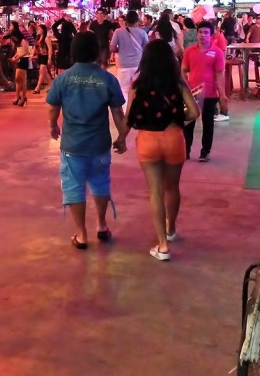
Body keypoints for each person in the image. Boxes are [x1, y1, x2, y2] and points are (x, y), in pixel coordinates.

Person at [116, 40, 200, 261]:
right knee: (172, 187)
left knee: (155, 192)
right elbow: (194, 112)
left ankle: (162, 246)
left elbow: (128, 116)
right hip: (174, 139)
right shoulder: (178, 83)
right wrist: (178, 119)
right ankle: (171, 228)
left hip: (147, 141)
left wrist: (121, 139)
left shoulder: (138, 84)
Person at [47, 32, 127, 249]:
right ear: (96, 51)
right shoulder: (107, 78)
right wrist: (122, 136)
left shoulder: (62, 79)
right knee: (100, 183)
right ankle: (101, 225)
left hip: (72, 145)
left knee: (74, 187)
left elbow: (54, 107)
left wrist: (53, 125)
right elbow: (118, 112)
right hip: (99, 143)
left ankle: (81, 234)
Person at [182, 24, 227, 162]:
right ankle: (185, 151)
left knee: (208, 123)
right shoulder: (189, 51)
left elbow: (220, 75)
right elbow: (183, 70)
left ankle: (205, 152)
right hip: (192, 94)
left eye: (206, 32)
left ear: (211, 35)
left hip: (210, 94)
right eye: (200, 32)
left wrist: (222, 95)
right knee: (188, 123)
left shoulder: (217, 52)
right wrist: (185, 88)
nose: (202, 35)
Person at [110, 10, 149, 102]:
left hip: (123, 65)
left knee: (123, 90)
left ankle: (125, 110)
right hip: (138, 65)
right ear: (137, 21)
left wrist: (120, 50)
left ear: (126, 21)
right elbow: (147, 48)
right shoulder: (142, 33)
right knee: (138, 89)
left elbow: (112, 48)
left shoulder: (118, 32)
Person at [9, 24, 30, 106]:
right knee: (18, 79)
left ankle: (23, 97)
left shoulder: (23, 41)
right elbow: (18, 51)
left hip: (23, 60)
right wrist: (14, 57)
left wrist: (17, 57)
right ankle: (18, 96)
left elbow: (26, 51)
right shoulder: (17, 42)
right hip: (19, 60)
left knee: (22, 79)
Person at [32, 23, 53, 94]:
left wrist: (49, 58)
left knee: (41, 71)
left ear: (43, 30)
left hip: (45, 56)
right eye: (37, 29)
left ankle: (37, 88)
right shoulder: (37, 38)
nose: (38, 30)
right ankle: (52, 86)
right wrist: (32, 55)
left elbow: (50, 49)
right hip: (40, 56)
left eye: (39, 29)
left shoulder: (46, 38)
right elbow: (35, 47)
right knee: (45, 73)